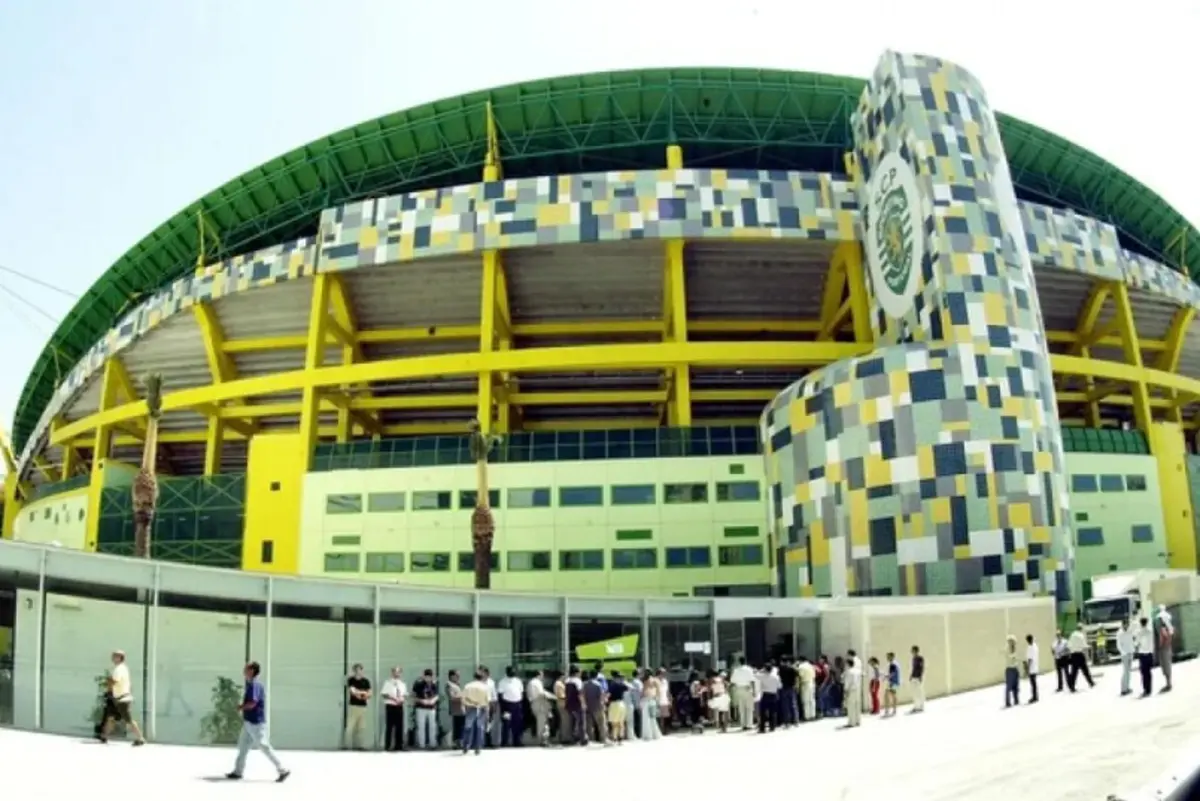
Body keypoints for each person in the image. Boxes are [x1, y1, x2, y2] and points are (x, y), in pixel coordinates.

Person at [226, 661, 289, 782]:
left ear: (252, 671)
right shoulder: (252, 684)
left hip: (256, 723)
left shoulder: (255, 685)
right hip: (249, 722)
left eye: (246, 668)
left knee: (264, 746)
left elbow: (253, 703)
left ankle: (282, 769)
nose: (244, 670)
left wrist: (241, 707)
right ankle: (238, 772)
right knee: (243, 746)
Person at [98, 649, 146, 746]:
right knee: (111, 717)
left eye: (115, 656)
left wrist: (107, 685)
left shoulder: (119, 669)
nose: (113, 658)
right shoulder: (123, 668)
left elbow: (114, 681)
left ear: (120, 658)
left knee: (128, 720)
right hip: (118, 698)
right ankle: (104, 736)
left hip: (122, 699)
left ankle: (140, 738)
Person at [460, 670, 490, 756]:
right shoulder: (485, 687)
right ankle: (478, 748)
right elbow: (487, 700)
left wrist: (464, 707)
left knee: (468, 727)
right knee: (480, 727)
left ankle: (466, 746)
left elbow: (463, 698)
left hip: (470, 707)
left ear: (474, 677)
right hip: (482, 707)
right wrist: (488, 712)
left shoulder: (468, 686)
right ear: (482, 678)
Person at [343, 663, 371, 750]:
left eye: (360, 670)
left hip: (363, 706)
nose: (358, 672)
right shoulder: (351, 680)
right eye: (357, 670)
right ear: (354, 671)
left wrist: (363, 694)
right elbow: (353, 691)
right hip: (353, 706)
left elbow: (369, 693)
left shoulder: (366, 681)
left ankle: (360, 745)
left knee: (361, 727)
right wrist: (362, 693)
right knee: (350, 727)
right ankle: (347, 745)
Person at [411, 668, 439, 750]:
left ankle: (432, 743)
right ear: (424, 676)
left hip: (431, 708)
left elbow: (437, 695)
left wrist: (433, 700)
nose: (428, 678)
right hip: (421, 707)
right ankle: (421, 744)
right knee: (421, 726)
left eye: (430, 676)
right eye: (427, 676)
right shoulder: (418, 684)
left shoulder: (434, 684)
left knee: (432, 726)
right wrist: (422, 701)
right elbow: (413, 696)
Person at [381, 666, 407, 752]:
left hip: (399, 706)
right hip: (391, 705)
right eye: (395, 672)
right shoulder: (388, 682)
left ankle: (399, 745)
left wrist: (402, 698)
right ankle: (388, 746)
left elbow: (404, 694)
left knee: (400, 726)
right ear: (392, 673)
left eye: (398, 672)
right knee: (390, 726)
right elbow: (384, 694)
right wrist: (393, 698)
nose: (397, 673)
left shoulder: (402, 683)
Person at [497, 666, 524, 747]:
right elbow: (500, 695)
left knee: (517, 724)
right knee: (506, 724)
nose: (513, 672)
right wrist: (503, 708)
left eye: (514, 671)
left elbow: (521, 692)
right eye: (511, 671)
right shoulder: (502, 682)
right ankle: (505, 742)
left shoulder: (518, 681)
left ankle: (517, 741)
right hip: (507, 706)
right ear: (507, 672)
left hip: (517, 705)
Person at [526, 669, 552, 746]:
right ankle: (542, 741)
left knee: (541, 722)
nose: (543, 676)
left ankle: (542, 740)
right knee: (542, 722)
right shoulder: (537, 682)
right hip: (539, 702)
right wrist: (553, 697)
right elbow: (541, 693)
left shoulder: (531, 682)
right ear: (538, 675)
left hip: (533, 703)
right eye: (542, 675)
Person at [584, 670, 609, 744]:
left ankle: (590, 739)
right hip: (598, 706)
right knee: (601, 724)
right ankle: (603, 738)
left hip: (588, 706)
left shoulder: (585, 684)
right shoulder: (598, 684)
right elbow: (601, 696)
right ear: (596, 676)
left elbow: (582, 695)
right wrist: (603, 704)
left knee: (589, 724)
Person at [729, 656, 755, 729]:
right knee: (749, 707)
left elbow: (732, 681)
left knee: (741, 708)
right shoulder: (749, 669)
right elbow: (752, 680)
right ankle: (749, 724)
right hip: (747, 688)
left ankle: (743, 724)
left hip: (739, 689)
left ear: (739, 662)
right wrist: (754, 691)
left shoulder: (736, 670)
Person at [1066, 625, 1094, 691]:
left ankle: (1072, 686)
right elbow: (1083, 645)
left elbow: (1069, 645)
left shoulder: (1072, 635)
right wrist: (1089, 646)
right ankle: (1091, 682)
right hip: (1079, 654)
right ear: (1081, 629)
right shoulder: (1081, 635)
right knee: (1085, 670)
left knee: (1074, 672)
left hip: (1073, 655)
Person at [564, 665, 586, 745]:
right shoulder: (578, 681)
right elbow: (580, 694)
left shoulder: (567, 681)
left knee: (572, 722)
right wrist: (583, 703)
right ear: (576, 672)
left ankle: (573, 739)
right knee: (581, 722)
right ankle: (583, 739)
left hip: (569, 704)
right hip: (577, 704)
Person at [1156, 605, 1175, 693]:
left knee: (1166, 666)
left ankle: (1168, 683)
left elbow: (1162, 640)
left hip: (1164, 648)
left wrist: (1160, 646)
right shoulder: (1170, 629)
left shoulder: (1163, 629)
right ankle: (1168, 682)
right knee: (1167, 665)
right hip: (1167, 647)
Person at [1135, 615, 1155, 697]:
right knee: (1149, 672)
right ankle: (1150, 689)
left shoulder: (1139, 632)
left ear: (1140, 623)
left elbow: (1136, 643)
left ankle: (1145, 689)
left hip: (1142, 654)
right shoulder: (1150, 631)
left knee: (1143, 673)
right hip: (1150, 653)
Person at [607, 670, 629, 743]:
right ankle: (621, 738)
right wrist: (624, 681)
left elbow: (608, 695)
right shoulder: (622, 685)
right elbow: (629, 688)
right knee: (621, 722)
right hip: (622, 704)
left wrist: (604, 700)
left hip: (614, 704)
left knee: (614, 723)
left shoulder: (612, 685)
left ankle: (614, 737)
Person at [757, 662, 779, 732]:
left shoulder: (762, 676)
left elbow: (755, 674)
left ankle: (762, 728)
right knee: (772, 712)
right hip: (774, 695)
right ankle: (772, 727)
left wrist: (761, 670)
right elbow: (780, 686)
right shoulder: (776, 677)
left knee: (763, 712)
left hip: (765, 695)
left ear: (765, 669)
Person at [842, 652, 863, 728]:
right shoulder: (858, 671)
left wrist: (845, 691)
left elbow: (847, 683)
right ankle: (858, 721)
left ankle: (851, 722)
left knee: (851, 706)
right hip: (858, 689)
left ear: (848, 664)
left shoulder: (848, 672)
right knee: (857, 705)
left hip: (851, 690)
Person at [640, 669, 661, 740]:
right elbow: (658, 691)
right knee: (651, 717)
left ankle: (650, 735)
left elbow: (644, 691)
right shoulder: (653, 680)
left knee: (648, 718)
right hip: (650, 699)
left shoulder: (648, 680)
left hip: (648, 699)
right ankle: (653, 734)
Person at [447, 670, 465, 748]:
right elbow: (452, 697)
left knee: (460, 726)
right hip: (456, 709)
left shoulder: (456, 684)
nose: (458, 677)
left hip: (461, 708)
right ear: (451, 676)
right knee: (458, 726)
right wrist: (463, 697)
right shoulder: (449, 685)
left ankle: (459, 741)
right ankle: (456, 743)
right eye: (457, 675)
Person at [1116, 619, 1135, 697]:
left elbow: (1131, 640)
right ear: (1122, 624)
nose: (1126, 625)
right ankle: (1123, 689)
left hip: (1130, 652)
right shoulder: (1120, 633)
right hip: (1124, 654)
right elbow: (1118, 644)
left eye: (1127, 624)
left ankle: (1127, 688)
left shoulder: (1130, 631)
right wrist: (1122, 652)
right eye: (1125, 624)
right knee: (1125, 671)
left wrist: (1133, 649)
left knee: (1129, 671)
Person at [1003, 635, 1021, 708]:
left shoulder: (1014, 649)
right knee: (1009, 686)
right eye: (1012, 641)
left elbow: (1016, 658)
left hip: (1015, 668)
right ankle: (1008, 702)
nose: (1014, 643)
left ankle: (1016, 700)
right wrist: (1014, 656)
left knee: (1016, 685)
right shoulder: (1007, 649)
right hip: (1009, 669)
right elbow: (1010, 657)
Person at [909, 645, 925, 713]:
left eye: (912, 650)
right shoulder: (913, 658)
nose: (911, 652)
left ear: (916, 651)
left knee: (920, 692)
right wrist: (911, 675)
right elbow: (913, 668)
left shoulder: (920, 658)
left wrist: (921, 676)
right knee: (915, 692)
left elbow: (922, 667)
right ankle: (916, 706)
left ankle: (921, 706)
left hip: (918, 677)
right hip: (914, 677)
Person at [884, 652, 901, 717]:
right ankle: (893, 710)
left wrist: (887, 676)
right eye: (887, 656)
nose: (887, 658)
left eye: (888, 656)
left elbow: (893, 673)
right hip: (894, 682)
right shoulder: (894, 663)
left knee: (888, 696)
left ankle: (888, 710)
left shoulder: (893, 664)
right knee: (893, 696)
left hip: (892, 682)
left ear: (892, 656)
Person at [1024, 633, 1040, 704]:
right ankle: (1036, 696)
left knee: (1033, 683)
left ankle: (1034, 697)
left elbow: (1030, 659)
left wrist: (1027, 668)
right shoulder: (1035, 646)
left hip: (1032, 667)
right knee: (1034, 683)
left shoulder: (1031, 647)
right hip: (1035, 667)